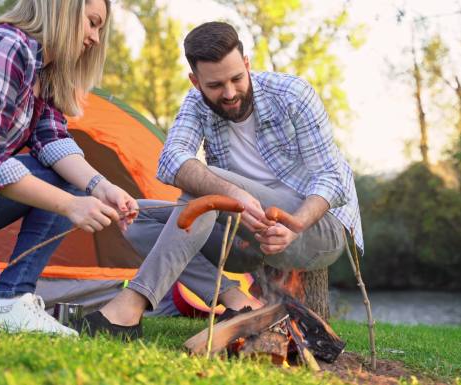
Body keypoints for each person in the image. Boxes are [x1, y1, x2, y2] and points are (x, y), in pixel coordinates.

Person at [79, 21, 363, 339]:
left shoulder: (293, 95)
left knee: (201, 183)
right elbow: (171, 161)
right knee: (132, 216)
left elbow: (332, 178)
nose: (229, 93)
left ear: (246, 64)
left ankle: (130, 307)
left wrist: (294, 225)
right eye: (215, 85)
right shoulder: (196, 104)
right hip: (243, 234)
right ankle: (236, 300)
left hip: (314, 229)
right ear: (195, 81)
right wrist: (234, 196)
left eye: (237, 79)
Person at [0, 0, 139, 336]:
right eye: (91, 23)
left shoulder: (41, 70)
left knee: (68, 178)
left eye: (99, 28)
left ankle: (11, 302)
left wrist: (102, 187)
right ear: (62, 11)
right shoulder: (3, 45)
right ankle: (9, 302)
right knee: (62, 187)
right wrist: (71, 205)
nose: (95, 38)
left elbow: (53, 142)